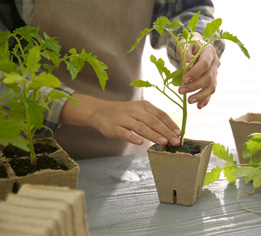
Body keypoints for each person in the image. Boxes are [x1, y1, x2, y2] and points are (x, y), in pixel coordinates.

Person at [0, 0, 225, 159]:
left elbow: (187, 7)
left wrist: (193, 40)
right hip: (25, 155)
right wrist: (95, 111)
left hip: (124, 156)